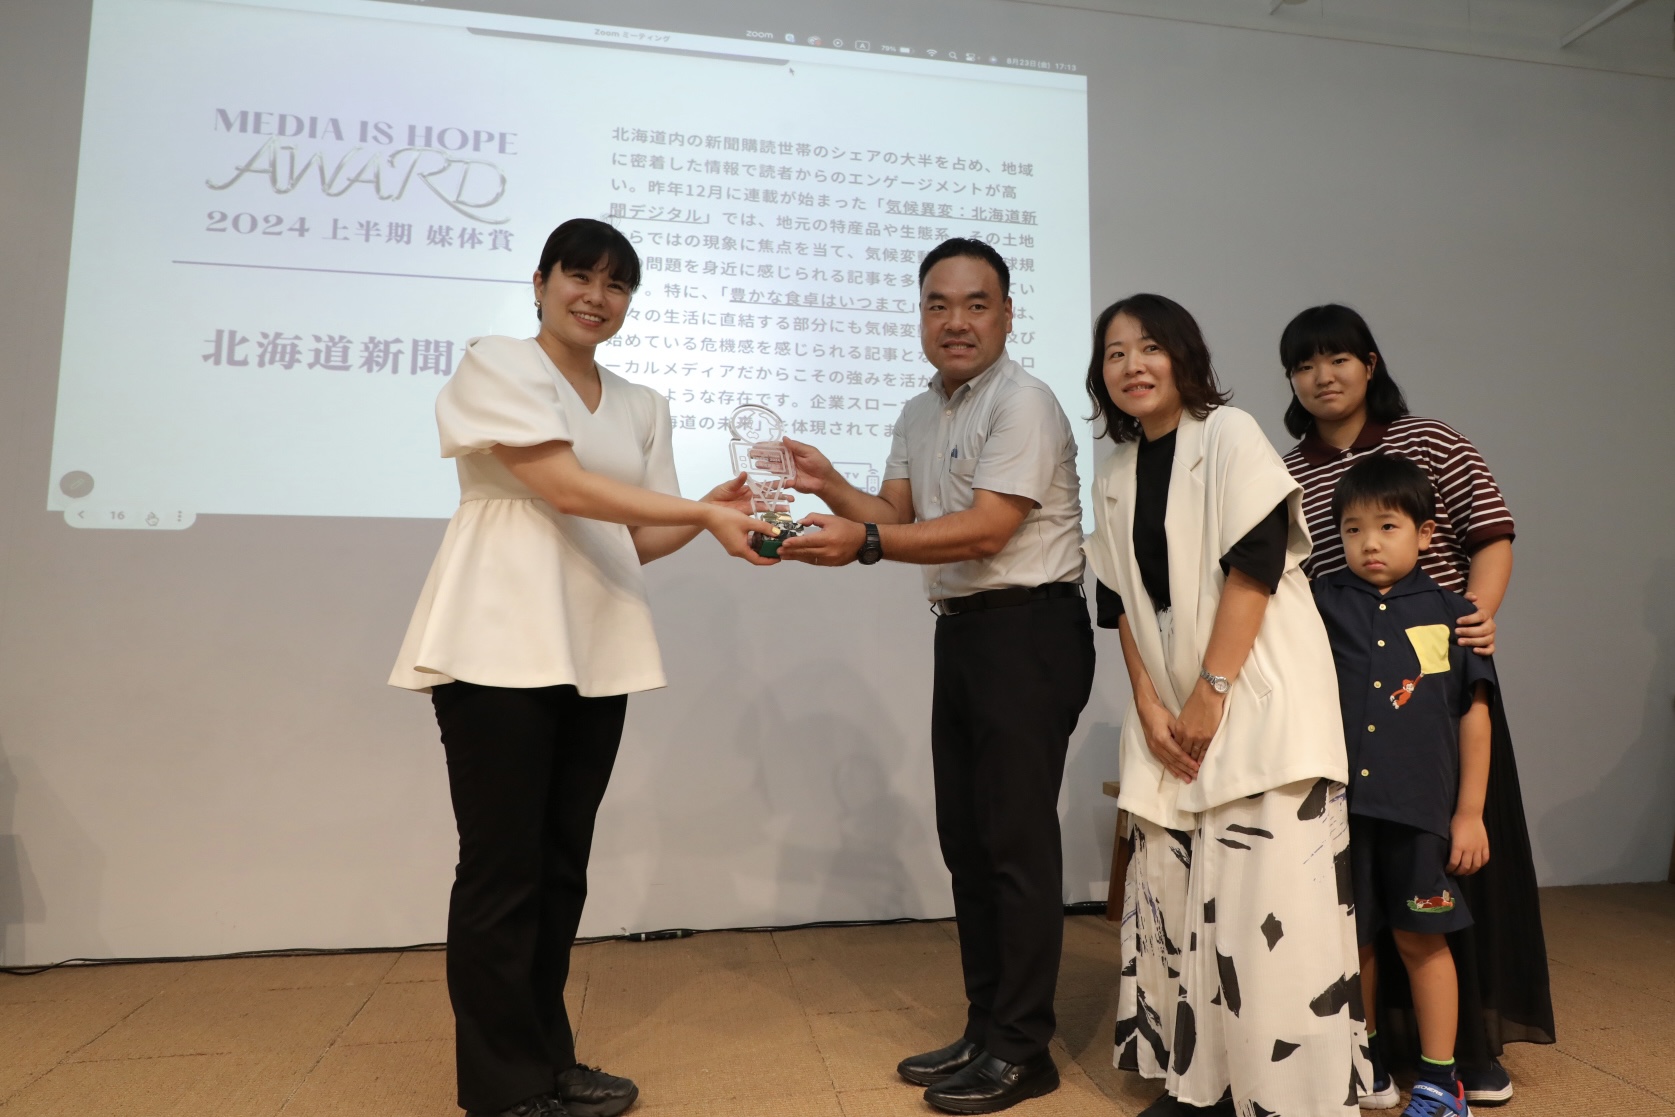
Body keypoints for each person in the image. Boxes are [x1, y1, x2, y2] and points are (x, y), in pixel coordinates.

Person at [388, 219, 773, 1117]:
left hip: (593, 648)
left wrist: (709, 511)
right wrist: (698, 513)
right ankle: (502, 1086)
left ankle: (547, 1061)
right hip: (495, 642)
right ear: (540, 282)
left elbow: (637, 536)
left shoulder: (641, 403)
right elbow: (560, 486)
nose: (596, 297)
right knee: (502, 869)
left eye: (617, 284)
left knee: (561, 865)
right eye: (579, 276)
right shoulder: (498, 362)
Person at [775, 238, 1094, 1114]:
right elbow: (894, 513)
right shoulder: (920, 409)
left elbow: (987, 529)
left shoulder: (1024, 402)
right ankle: (986, 1026)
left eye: (975, 303)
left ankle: (1023, 1048)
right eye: (937, 304)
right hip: (962, 632)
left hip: (1028, 629)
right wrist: (828, 484)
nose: (955, 321)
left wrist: (866, 543)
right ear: (920, 314)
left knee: (1014, 843)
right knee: (969, 841)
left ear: (1006, 314)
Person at [1084, 294, 1369, 1117]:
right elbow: (1119, 606)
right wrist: (1146, 704)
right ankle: (1200, 1086)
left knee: (1265, 907)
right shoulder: (1114, 471)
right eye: (1114, 353)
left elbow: (1255, 565)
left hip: (1256, 686)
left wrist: (1211, 692)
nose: (1132, 364)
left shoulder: (1229, 434)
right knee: (1176, 894)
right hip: (1170, 701)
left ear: (1184, 356)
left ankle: (1285, 1094)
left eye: (1148, 347)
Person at [1277, 304, 1553, 1105]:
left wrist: (1473, 621)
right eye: (1303, 365)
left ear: (1368, 363)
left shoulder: (1430, 441)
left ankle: (1465, 1052)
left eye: (1337, 358)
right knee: (1358, 918)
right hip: (1345, 704)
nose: (1322, 376)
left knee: (1451, 891)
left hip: (1431, 696)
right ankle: (1371, 1050)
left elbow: (1490, 535)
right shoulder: (1285, 471)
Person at [1312, 455, 1498, 1117]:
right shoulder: (1318, 602)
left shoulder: (1455, 613)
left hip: (1419, 811)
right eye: (1352, 528)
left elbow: (1474, 715)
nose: (1369, 542)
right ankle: (1364, 1061)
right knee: (1353, 939)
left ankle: (1441, 1080)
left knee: (1422, 937)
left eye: (1387, 526)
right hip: (1339, 811)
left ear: (1424, 534)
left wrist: (1469, 812)